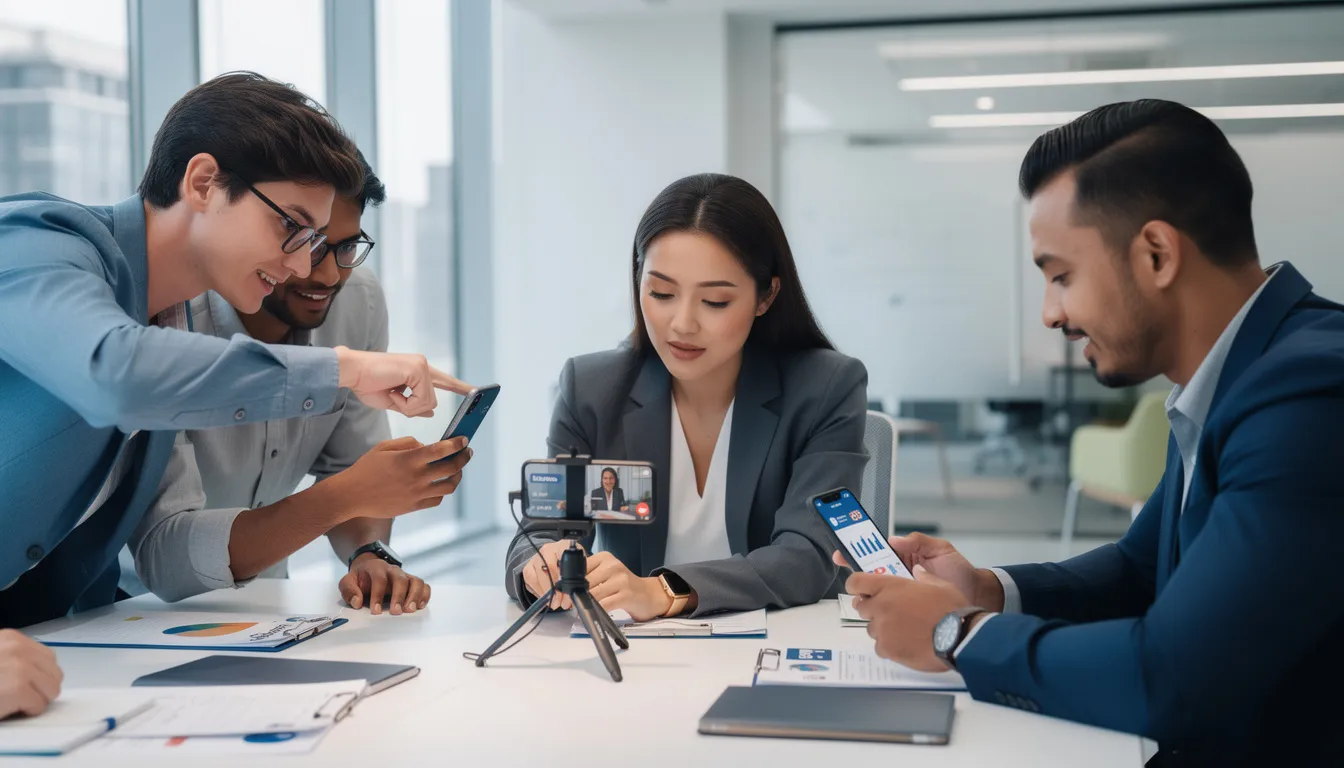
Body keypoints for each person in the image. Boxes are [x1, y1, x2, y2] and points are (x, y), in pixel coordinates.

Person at [842, 100, 1344, 766]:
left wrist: (954, 634)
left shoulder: (1308, 395)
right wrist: (986, 591)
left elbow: (1172, 677)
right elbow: (1141, 570)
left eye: (1061, 276)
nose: (1052, 314)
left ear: (1157, 254)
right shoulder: (1237, 372)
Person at [0, 73, 464, 718]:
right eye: (294, 229)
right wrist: (342, 370)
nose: (304, 268)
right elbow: (116, 375)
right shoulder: (38, 244)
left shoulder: (170, 326)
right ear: (202, 183)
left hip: (49, 650)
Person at [506, 173, 868, 621]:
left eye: (715, 302)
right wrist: (540, 565)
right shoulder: (592, 387)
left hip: (782, 642)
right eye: (660, 293)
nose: (681, 324)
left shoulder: (825, 386)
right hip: (641, 657)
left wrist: (664, 592)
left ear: (766, 295)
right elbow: (541, 533)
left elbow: (808, 555)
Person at [128, 153, 467, 616]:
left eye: (345, 247)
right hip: (131, 618)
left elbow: (349, 462)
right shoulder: (169, 317)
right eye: (308, 242)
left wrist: (368, 553)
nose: (325, 274)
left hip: (266, 611)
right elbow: (167, 558)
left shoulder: (359, 302)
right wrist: (346, 496)